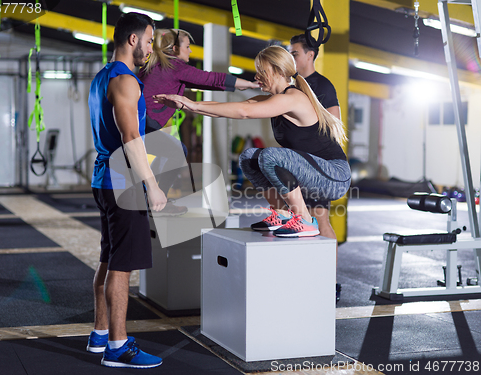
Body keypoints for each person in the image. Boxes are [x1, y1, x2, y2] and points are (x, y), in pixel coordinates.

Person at [154, 45, 351, 239]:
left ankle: (305, 220)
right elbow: (230, 107)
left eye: (261, 71)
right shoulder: (276, 99)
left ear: (276, 70)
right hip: (310, 171)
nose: (256, 77)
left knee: (269, 156)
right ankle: (282, 214)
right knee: (249, 158)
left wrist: (193, 104)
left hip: (334, 175)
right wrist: (187, 104)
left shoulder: (293, 98)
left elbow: (244, 113)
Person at [87, 12, 166, 369]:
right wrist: (152, 185)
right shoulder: (125, 81)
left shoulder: (102, 76)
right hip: (122, 185)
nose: (150, 48)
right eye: (149, 41)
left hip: (102, 181)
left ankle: (99, 334)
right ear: (133, 40)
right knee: (122, 267)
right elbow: (130, 136)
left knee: (109, 258)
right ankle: (118, 347)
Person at [137, 28, 259, 215]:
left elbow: (206, 82)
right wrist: (250, 84)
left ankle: (152, 194)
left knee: (171, 151)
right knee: (177, 151)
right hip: (145, 124)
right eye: (188, 46)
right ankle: (157, 200)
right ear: (175, 49)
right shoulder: (174, 67)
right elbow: (211, 78)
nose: (191, 51)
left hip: (142, 122)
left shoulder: (158, 65)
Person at [290, 33, 343, 302]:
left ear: (310, 55)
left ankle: (329, 282)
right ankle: (306, 276)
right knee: (299, 220)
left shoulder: (322, 85)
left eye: (295, 53)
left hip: (318, 164)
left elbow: (334, 125)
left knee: (320, 218)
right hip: (297, 164)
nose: (292, 57)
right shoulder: (291, 84)